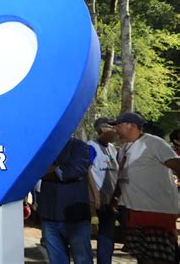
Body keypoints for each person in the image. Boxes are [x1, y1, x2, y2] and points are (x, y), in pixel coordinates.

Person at [109, 112, 180, 263]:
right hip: (133, 211)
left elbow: (176, 165)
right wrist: (115, 198)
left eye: (119, 126)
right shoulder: (123, 149)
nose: (116, 130)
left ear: (132, 126)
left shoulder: (154, 143)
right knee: (142, 256)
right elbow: (122, 177)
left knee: (161, 258)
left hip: (157, 211)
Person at [38, 137, 93, 264]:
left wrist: (45, 172)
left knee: (82, 259)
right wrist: (56, 170)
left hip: (76, 218)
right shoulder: (44, 148)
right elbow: (34, 170)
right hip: (49, 217)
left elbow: (72, 172)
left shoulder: (79, 146)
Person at [87, 118, 118, 264]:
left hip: (111, 198)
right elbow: (88, 171)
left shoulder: (112, 148)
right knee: (90, 232)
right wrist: (96, 195)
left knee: (108, 233)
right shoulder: (91, 147)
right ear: (102, 129)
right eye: (111, 127)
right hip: (96, 197)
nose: (114, 130)